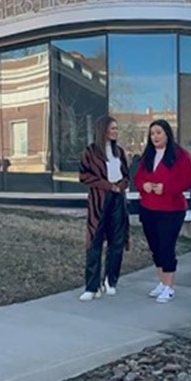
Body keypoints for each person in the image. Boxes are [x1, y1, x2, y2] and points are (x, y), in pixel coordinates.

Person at [133, 119, 191, 304]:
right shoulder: (148, 156)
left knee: (166, 247)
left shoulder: (180, 155)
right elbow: (137, 178)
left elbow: (189, 179)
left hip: (171, 210)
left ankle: (169, 287)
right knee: (155, 248)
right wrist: (143, 185)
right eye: (152, 134)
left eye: (159, 133)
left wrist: (166, 187)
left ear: (167, 134)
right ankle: (162, 282)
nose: (155, 137)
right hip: (148, 208)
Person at [77, 115, 129, 302]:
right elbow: (84, 176)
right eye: (113, 128)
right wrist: (108, 186)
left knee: (117, 241)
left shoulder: (119, 152)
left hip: (118, 200)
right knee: (94, 243)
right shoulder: (90, 152)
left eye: (116, 128)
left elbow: (126, 176)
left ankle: (111, 280)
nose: (116, 131)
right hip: (99, 201)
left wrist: (120, 186)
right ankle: (92, 286)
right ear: (103, 129)